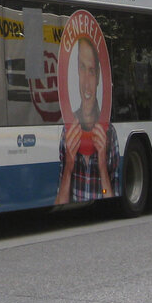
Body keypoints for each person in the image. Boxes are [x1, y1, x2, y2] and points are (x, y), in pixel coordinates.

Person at [57, 37, 120, 204]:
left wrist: (102, 165)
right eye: (82, 68)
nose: (86, 84)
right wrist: (69, 165)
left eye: (91, 71)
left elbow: (113, 203)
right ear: (77, 72)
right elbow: (60, 203)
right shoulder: (68, 132)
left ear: (98, 77)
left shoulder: (109, 133)